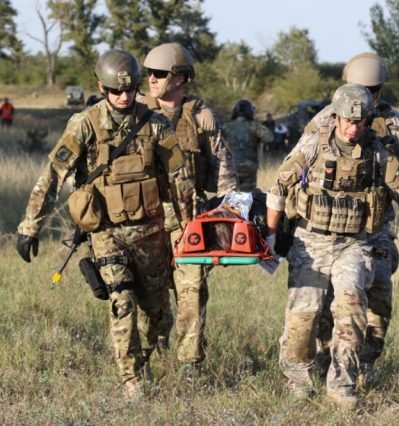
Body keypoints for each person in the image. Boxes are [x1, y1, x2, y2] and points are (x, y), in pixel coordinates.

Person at [15, 49, 194, 399]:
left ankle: (157, 359)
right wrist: (29, 226)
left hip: (151, 231)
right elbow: (52, 174)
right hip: (107, 232)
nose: (124, 97)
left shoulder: (155, 123)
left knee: (157, 312)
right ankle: (133, 382)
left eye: (130, 90)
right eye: (116, 91)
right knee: (121, 300)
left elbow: (179, 176)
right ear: (102, 87)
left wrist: (188, 229)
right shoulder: (85, 124)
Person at [265, 83, 399, 410]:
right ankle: (300, 377)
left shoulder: (378, 151)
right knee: (302, 319)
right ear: (335, 117)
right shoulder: (313, 145)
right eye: (347, 121)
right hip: (311, 241)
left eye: (360, 122)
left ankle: (342, 385)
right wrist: (270, 235)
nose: (353, 129)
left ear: (368, 120)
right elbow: (278, 187)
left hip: (354, 245)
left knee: (351, 307)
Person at [304, 52, 399, 387]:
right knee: (328, 301)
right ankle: (328, 357)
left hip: (377, 228)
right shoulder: (326, 120)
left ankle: (365, 360)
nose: (367, 97)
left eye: (374, 90)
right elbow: (298, 165)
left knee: (379, 297)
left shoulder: (397, 124)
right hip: (331, 228)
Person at [141, 42, 237, 371]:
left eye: (159, 73)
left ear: (180, 78)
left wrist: (227, 221)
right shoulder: (136, 113)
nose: (151, 79)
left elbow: (225, 173)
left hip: (189, 220)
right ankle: (149, 357)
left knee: (192, 294)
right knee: (150, 298)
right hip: (144, 221)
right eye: (149, 73)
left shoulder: (201, 117)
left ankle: (190, 368)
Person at [223, 99, 273, 191]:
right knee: (247, 196)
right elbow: (269, 138)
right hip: (249, 168)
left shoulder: (226, 127)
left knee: (230, 197)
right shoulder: (254, 126)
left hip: (231, 167)